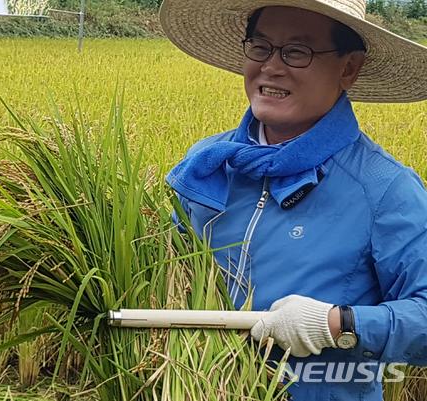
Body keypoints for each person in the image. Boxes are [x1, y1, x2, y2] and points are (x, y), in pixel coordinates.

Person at [160, 0, 427, 400]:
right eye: (261, 47)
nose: (271, 67)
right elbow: (167, 267)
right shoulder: (207, 163)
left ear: (348, 68)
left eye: (297, 52)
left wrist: (337, 323)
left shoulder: (386, 189)